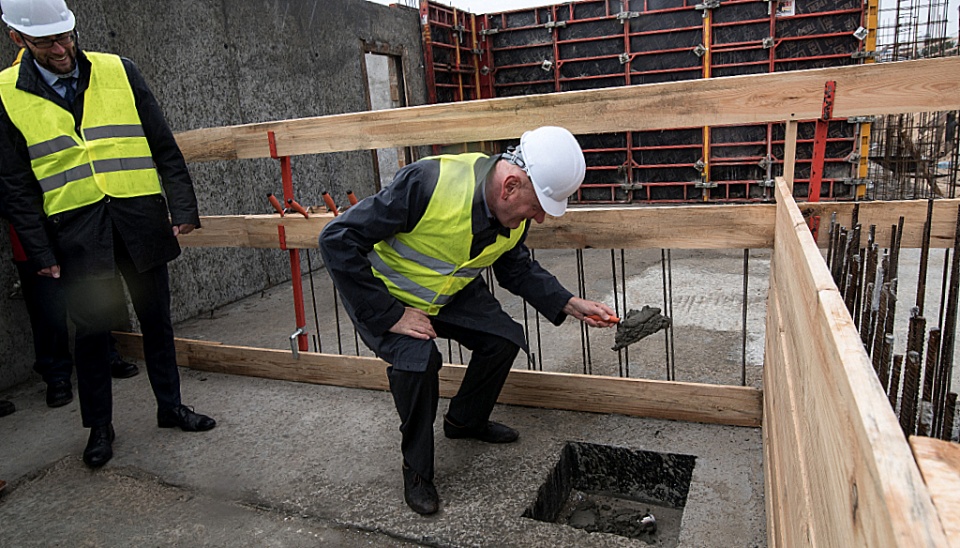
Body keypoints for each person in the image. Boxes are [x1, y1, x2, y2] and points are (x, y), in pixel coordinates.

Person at [319, 126, 617, 515]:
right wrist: (390, 315)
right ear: (510, 186)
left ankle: (464, 422)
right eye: (538, 207)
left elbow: (515, 269)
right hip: (385, 296)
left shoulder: (515, 211)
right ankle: (418, 471)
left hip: (447, 292)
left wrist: (568, 302)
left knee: (504, 338)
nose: (540, 218)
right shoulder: (428, 183)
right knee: (418, 363)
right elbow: (336, 239)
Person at [0, 0, 216, 469]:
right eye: (46, 42)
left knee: (157, 319)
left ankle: (171, 406)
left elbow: (163, 144)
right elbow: (15, 186)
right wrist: (40, 250)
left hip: (138, 220)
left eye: (66, 36)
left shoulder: (120, 70)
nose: (61, 49)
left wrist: (182, 207)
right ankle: (100, 428)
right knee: (93, 334)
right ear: (18, 39)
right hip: (76, 233)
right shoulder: (5, 94)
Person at [3, 47, 138, 409]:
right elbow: (12, 184)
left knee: (96, 295)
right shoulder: (11, 102)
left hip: (77, 222)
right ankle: (57, 375)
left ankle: (107, 354)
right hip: (34, 230)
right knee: (48, 309)